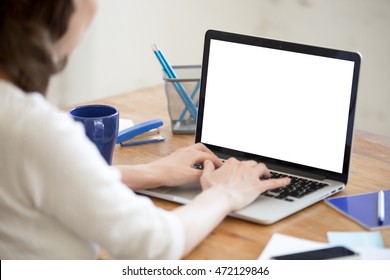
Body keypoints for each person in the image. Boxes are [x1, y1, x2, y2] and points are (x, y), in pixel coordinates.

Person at [0, 0, 290, 259]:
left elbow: (40, 178)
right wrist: (225, 193)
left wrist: (148, 172)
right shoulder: (33, 129)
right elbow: (154, 244)